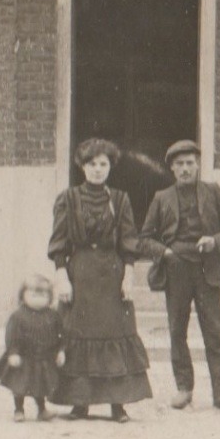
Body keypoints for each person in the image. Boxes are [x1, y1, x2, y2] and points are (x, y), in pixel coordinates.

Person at [138, 139, 220, 415]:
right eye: (179, 164)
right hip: (176, 270)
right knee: (177, 331)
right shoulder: (162, 198)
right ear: (172, 169)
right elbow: (143, 239)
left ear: (198, 165)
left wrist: (214, 241)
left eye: (190, 163)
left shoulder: (213, 192)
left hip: (207, 268)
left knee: (214, 332)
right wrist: (164, 253)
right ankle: (184, 388)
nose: (185, 168)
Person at [48, 137, 153, 422]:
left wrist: (129, 276)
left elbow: (129, 241)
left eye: (103, 164)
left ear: (110, 167)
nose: (97, 169)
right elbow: (59, 242)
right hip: (79, 273)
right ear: (82, 167)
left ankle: (117, 404)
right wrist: (62, 277)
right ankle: (78, 403)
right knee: (77, 333)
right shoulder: (68, 199)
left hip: (112, 274)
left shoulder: (120, 199)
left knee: (114, 333)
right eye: (91, 164)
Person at [0, 273, 66, 422]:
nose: (38, 299)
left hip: (44, 358)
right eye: (33, 294)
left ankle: (42, 410)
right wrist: (13, 353)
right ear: (23, 295)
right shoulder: (18, 316)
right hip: (24, 358)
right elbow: (12, 337)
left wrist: (61, 351)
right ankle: (19, 409)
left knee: (40, 386)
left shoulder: (54, 316)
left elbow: (61, 335)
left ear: (50, 297)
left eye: (43, 295)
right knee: (20, 386)